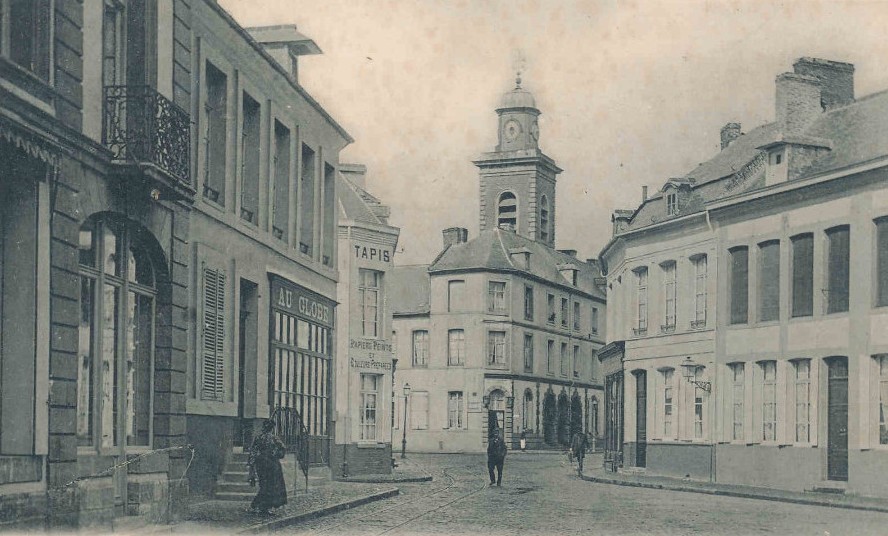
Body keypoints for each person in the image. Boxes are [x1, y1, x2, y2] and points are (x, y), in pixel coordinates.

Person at [247, 419, 288, 514]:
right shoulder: (274, 438)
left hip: (261, 464)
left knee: (264, 485)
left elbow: (253, 452)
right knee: (271, 486)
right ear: (272, 428)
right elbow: (282, 449)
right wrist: (276, 454)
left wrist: (252, 464)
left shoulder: (258, 438)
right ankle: (261, 506)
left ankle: (260, 506)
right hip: (272, 464)